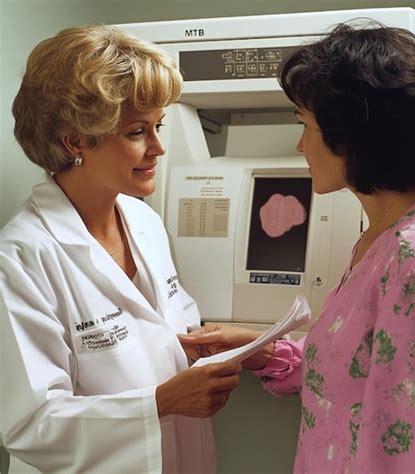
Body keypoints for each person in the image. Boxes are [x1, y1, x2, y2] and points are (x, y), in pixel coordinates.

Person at [179, 23, 415, 473]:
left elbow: (407, 451)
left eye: (305, 125)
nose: (300, 145)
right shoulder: (390, 234)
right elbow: (366, 376)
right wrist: (266, 351)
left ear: (351, 138)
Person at [0, 25, 241, 473]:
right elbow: (30, 425)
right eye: (136, 132)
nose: (159, 148)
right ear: (75, 141)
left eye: (158, 126)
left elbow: (165, 327)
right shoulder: (21, 258)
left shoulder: (143, 221)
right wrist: (160, 403)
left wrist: (207, 344)